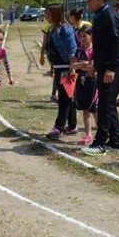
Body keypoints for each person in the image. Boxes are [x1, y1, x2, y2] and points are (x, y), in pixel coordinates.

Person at [81, 0, 119, 156]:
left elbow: (118, 43)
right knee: (108, 105)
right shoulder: (100, 14)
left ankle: (100, 143)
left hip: (113, 67)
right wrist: (95, 65)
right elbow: (102, 45)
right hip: (104, 66)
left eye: (91, 0)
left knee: (105, 105)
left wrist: (111, 69)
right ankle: (116, 141)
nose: (89, 4)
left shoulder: (109, 15)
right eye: (88, 1)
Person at [43, 8, 78, 140]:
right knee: (68, 97)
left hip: (66, 67)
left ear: (56, 14)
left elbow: (72, 49)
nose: (47, 16)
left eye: (49, 14)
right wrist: (52, 67)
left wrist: (72, 68)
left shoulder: (66, 29)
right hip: (58, 67)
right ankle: (72, 125)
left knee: (64, 98)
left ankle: (59, 127)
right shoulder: (53, 29)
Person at [71, 27, 98, 146]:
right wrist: (83, 64)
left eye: (84, 36)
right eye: (80, 36)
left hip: (93, 82)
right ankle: (89, 134)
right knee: (85, 108)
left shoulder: (96, 50)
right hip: (81, 81)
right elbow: (73, 65)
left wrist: (83, 67)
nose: (82, 39)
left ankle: (102, 134)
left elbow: (93, 68)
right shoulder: (78, 50)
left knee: (94, 109)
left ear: (91, 36)